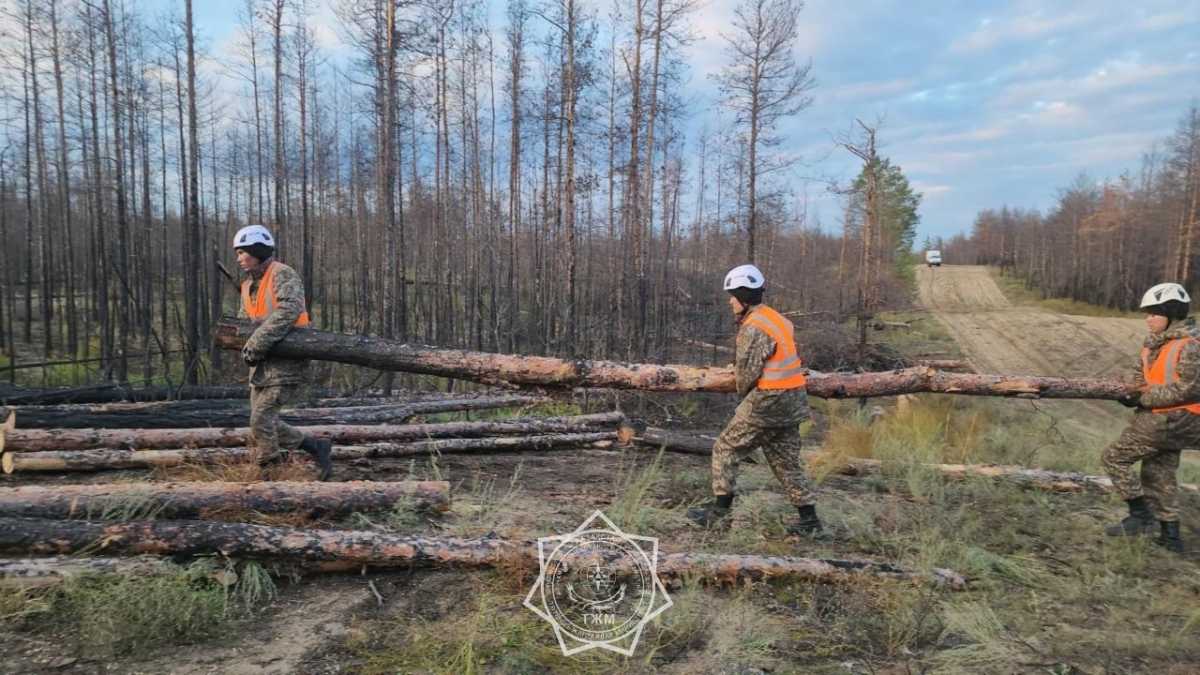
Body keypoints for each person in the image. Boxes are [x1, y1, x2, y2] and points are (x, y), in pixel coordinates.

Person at [687, 264, 822, 534]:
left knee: (725, 447)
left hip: (769, 400)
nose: (729, 301)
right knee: (786, 462)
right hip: (794, 401)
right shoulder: (777, 319)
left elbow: (746, 377)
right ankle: (810, 522)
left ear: (742, 297)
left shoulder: (753, 327)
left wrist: (734, 377)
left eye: (732, 296)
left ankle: (719, 513)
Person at [234, 224, 334, 481]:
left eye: (242, 252)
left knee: (260, 419)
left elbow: (289, 310)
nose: (239, 258)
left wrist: (257, 343)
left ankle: (270, 474)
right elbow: (245, 323)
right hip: (261, 366)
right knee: (262, 422)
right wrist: (245, 343)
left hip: (288, 363)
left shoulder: (283, 274)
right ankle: (315, 446)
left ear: (257, 251)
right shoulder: (247, 286)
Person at [1102, 282, 1195, 553]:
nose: (1148, 319)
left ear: (1171, 314)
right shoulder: (1153, 345)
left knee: (1114, 458)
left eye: (1154, 313)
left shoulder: (1189, 345)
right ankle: (1171, 537)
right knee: (1159, 472)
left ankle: (1141, 516)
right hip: (1166, 419)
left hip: (1170, 420)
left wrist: (1142, 398)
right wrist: (1128, 393)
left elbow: (1187, 389)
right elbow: (1138, 379)